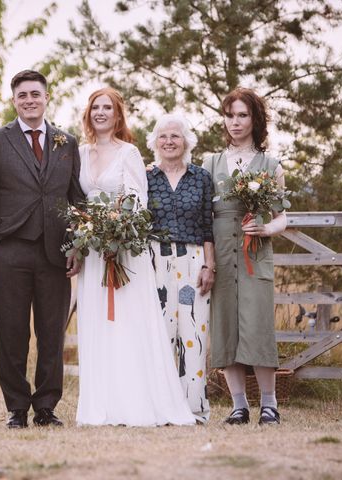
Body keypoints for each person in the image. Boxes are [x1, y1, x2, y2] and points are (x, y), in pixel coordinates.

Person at [75, 87, 195, 427]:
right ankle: (101, 404)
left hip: (124, 250)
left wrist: (115, 229)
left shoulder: (128, 153)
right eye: (95, 107)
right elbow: (78, 200)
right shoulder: (80, 152)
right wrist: (89, 232)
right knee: (97, 323)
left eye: (107, 108)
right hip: (94, 250)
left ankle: (135, 401)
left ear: (117, 115)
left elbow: (138, 202)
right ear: (89, 113)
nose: (100, 113)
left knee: (127, 322)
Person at [0, 70, 83, 428]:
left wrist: (76, 245)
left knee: (52, 333)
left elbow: (75, 198)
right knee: (12, 332)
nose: (29, 100)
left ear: (46, 97)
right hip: (9, 250)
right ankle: (17, 408)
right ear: (14, 101)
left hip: (55, 252)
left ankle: (46, 406)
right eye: (22, 95)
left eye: (35, 94)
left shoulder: (66, 142)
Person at [202, 87, 287, 425]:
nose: (235, 122)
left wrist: (268, 229)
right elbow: (203, 217)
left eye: (242, 115)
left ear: (255, 119)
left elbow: (282, 215)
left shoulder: (271, 164)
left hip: (256, 254)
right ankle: (238, 405)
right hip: (222, 254)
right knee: (226, 328)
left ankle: (269, 403)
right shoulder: (211, 163)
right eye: (230, 115)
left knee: (258, 326)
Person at [145, 113, 215, 424]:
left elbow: (208, 224)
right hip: (154, 260)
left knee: (194, 333)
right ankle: (160, 408)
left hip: (193, 259)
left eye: (175, 136)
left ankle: (194, 409)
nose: (169, 141)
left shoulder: (200, 177)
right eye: (163, 136)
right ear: (155, 142)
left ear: (185, 141)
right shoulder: (145, 177)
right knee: (160, 334)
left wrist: (209, 265)